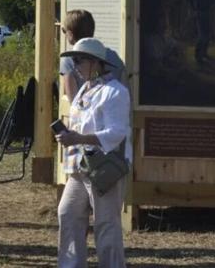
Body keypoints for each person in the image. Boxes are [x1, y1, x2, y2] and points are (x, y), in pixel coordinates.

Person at [55, 38, 132, 268]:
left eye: (79, 60)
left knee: (106, 224)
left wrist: (77, 138)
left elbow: (116, 133)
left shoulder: (115, 91)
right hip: (81, 166)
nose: (75, 65)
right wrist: (69, 134)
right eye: (74, 60)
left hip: (104, 168)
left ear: (96, 63)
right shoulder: (85, 90)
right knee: (67, 213)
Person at [58, 9, 124, 103]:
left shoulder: (68, 60)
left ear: (71, 34)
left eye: (64, 31)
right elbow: (126, 89)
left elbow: (74, 102)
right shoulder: (113, 56)